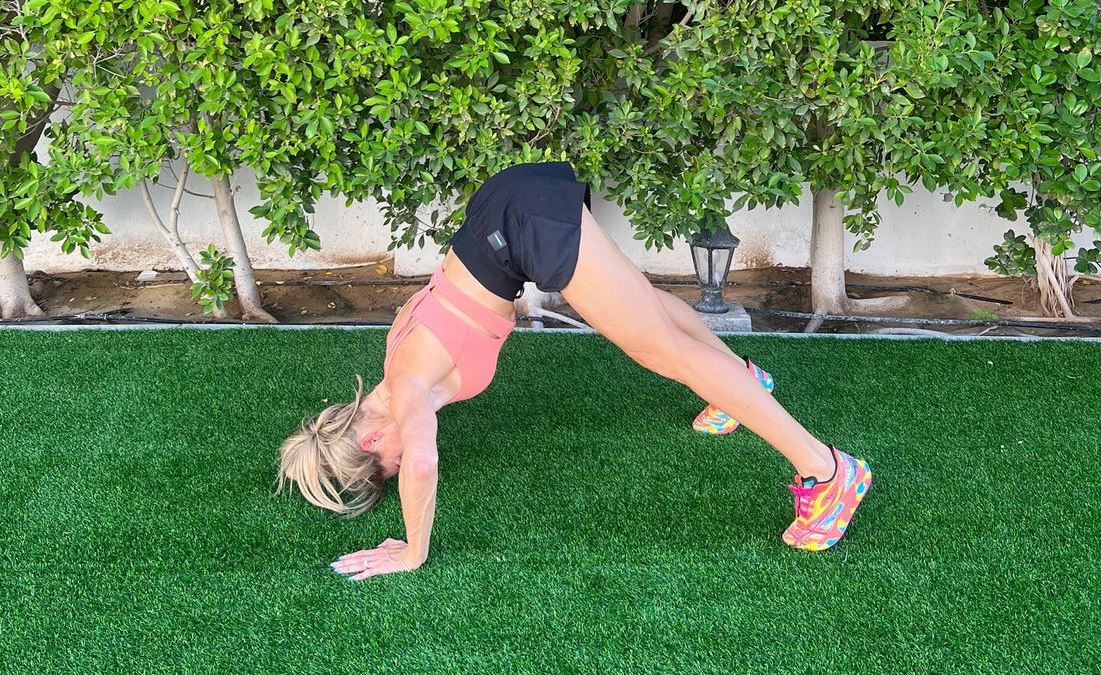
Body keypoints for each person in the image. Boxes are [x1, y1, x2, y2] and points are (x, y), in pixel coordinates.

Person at [277, 162, 872, 581]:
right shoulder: (397, 353)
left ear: (371, 438)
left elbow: (425, 462)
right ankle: (740, 381)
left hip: (522, 228)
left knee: (659, 351)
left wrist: (412, 549)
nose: (404, 459)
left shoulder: (406, 386)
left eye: (389, 463)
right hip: (506, 208)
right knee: (645, 308)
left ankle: (827, 473)